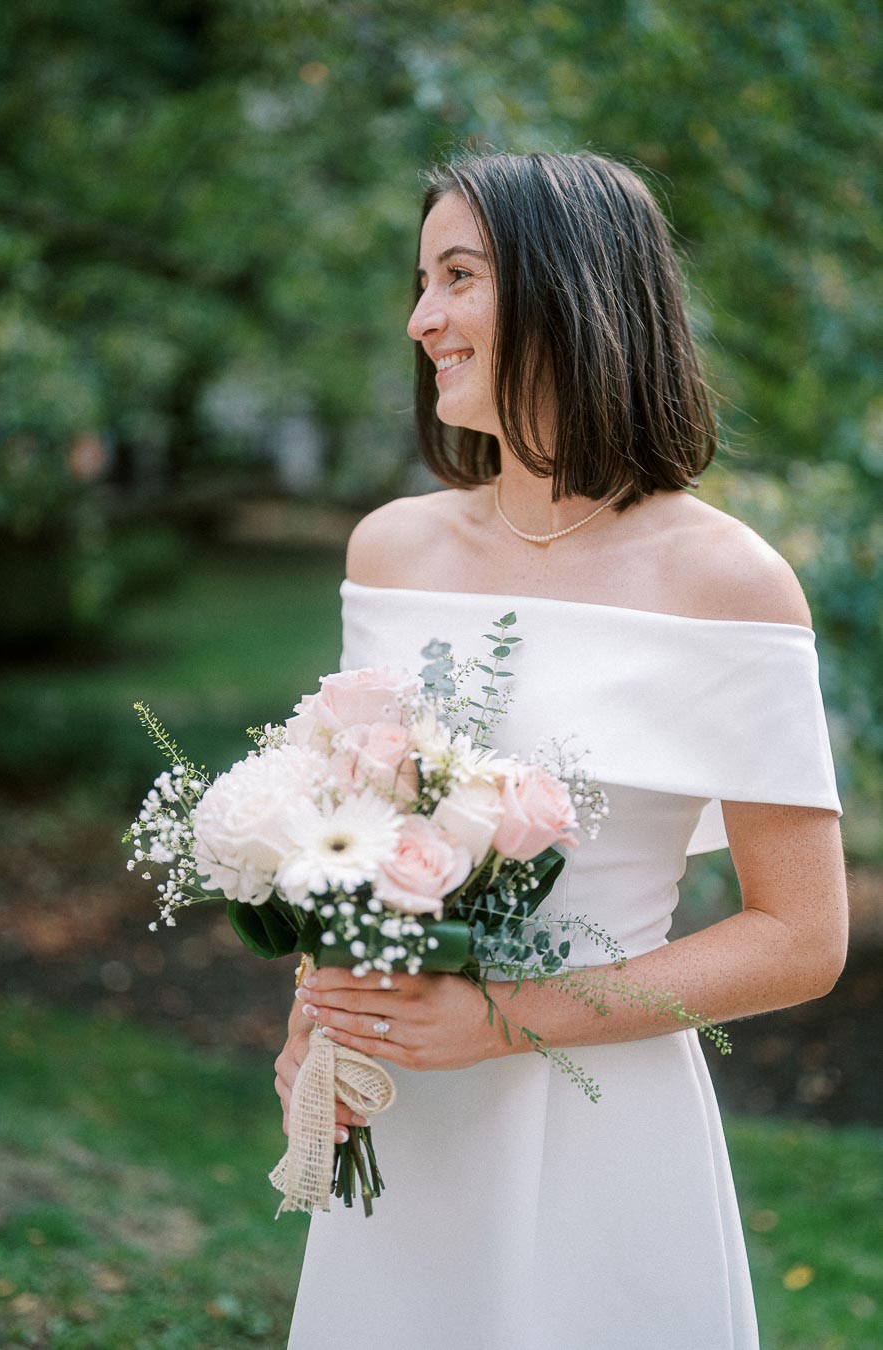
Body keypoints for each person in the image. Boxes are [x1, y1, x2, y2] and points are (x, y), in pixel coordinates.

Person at [275, 150, 848, 1349]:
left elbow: (801, 936)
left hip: (602, 1119)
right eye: (421, 279)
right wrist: (312, 1023)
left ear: (572, 289)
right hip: (407, 1114)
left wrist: (505, 1018)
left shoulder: (729, 581)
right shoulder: (391, 552)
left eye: (459, 276)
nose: (422, 317)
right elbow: (353, 842)